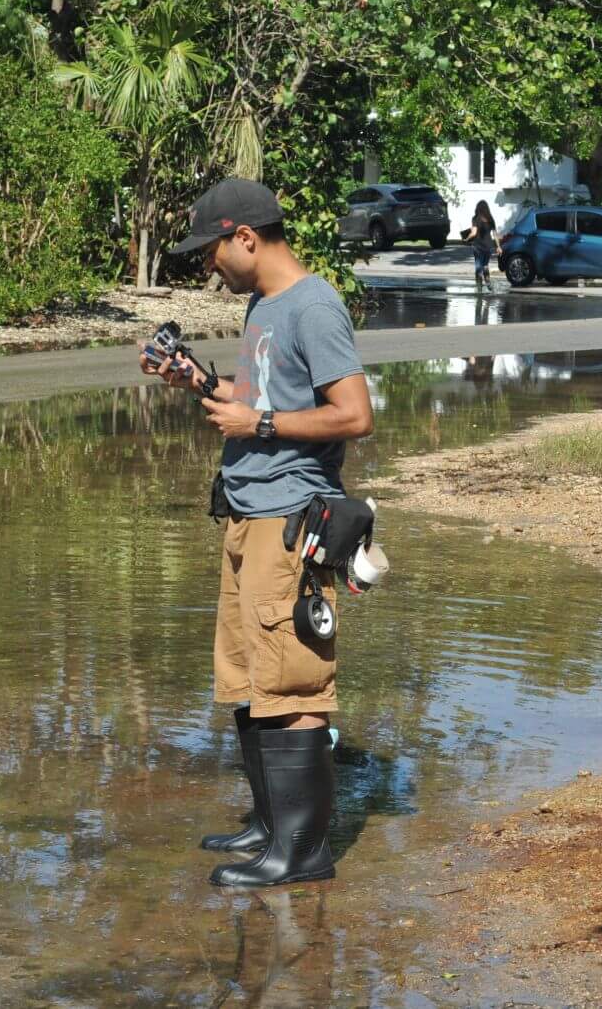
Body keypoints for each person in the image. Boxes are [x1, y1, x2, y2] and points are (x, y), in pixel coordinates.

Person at [141, 178, 373, 889]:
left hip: (289, 519)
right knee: (249, 680)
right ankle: (272, 825)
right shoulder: (262, 306)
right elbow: (253, 405)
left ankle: (302, 853)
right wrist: (195, 382)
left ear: (245, 236)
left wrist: (260, 424)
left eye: (211, 250)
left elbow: (354, 414)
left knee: (295, 684)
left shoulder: (314, 305)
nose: (208, 264)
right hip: (246, 514)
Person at [459, 201, 499, 288]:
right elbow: (495, 234)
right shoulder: (491, 219)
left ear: (477, 208)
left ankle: (479, 288)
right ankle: (488, 283)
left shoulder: (476, 218)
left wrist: (466, 239)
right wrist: (499, 247)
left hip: (478, 246)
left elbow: (473, 233)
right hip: (488, 246)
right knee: (485, 265)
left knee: (478, 266)